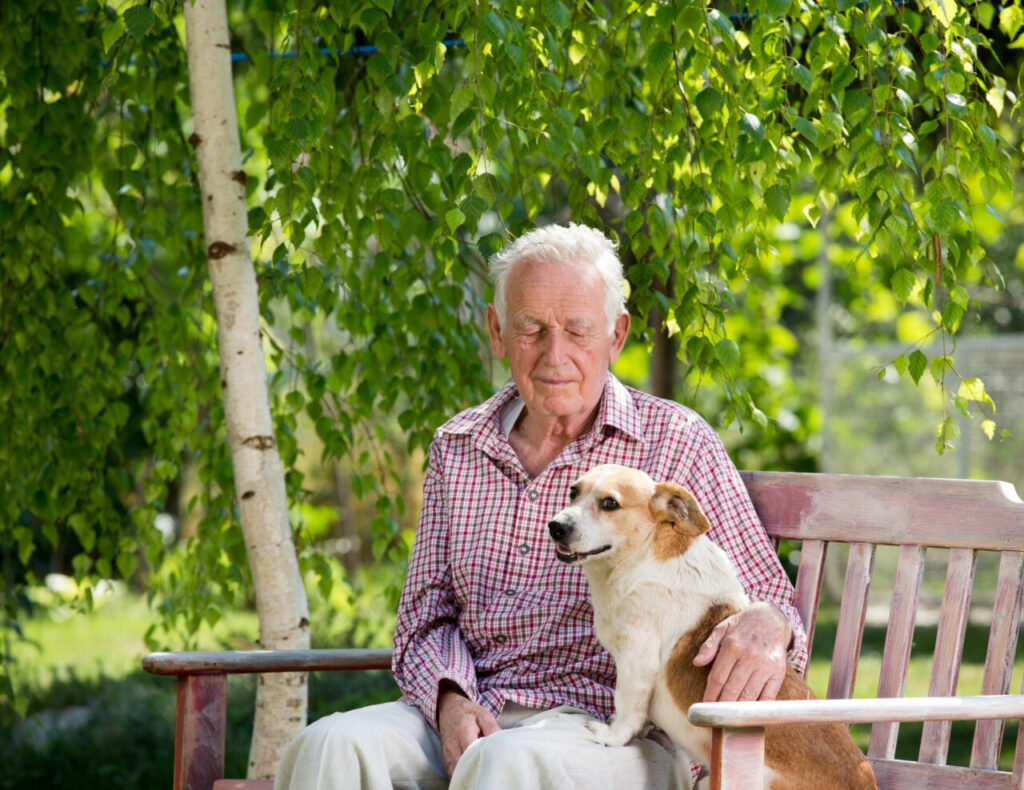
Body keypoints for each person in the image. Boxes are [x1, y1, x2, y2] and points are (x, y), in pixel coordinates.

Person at [275, 223, 807, 790]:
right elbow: (424, 617)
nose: (555, 355)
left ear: (616, 335)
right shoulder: (459, 447)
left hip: (612, 730)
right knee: (327, 745)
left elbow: (772, 604)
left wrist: (767, 626)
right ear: (497, 331)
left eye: (578, 330)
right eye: (531, 328)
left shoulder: (675, 441)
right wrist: (450, 701)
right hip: (474, 713)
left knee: (504, 764)